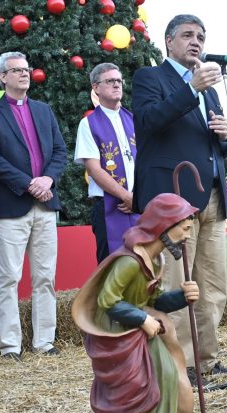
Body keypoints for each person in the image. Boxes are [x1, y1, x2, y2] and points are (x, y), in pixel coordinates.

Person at [131, 14, 227, 383]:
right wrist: (190, 88)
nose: (196, 42)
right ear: (168, 41)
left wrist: (224, 137)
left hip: (211, 196)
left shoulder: (211, 89)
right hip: (172, 197)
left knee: (213, 284)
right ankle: (179, 363)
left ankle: (207, 358)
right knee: (176, 283)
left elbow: (217, 147)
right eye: (188, 35)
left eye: (201, 36)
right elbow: (150, 121)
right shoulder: (150, 78)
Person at [70, 193, 198, 413]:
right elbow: (107, 301)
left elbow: (154, 300)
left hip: (140, 328)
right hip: (120, 333)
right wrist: (142, 319)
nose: (187, 236)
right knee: (147, 382)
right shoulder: (129, 262)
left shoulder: (155, 260)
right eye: (185, 229)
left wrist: (182, 298)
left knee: (167, 376)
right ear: (165, 225)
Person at [0, 51, 68, 359]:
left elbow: (59, 151)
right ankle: (10, 346)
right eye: (16, 70)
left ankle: (45, 343)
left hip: (45, 204)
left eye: (26, 69)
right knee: (8, 278)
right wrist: (29, 183)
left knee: (45, 277)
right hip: (11, 205)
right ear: (2, 77)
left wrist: (48, 180)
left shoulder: (43, 110)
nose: (24, 74)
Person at [74, 63, 138, 263]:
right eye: (110, 81)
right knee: (111, 269)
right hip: (108, 206)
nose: (116, 85)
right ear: (96, 87)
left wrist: (138, 197)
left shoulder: (135, 119)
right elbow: (93, 169)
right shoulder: (88, 124)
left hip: (138, 203)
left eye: (119, 80)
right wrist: (126, 196)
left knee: (142, 266)